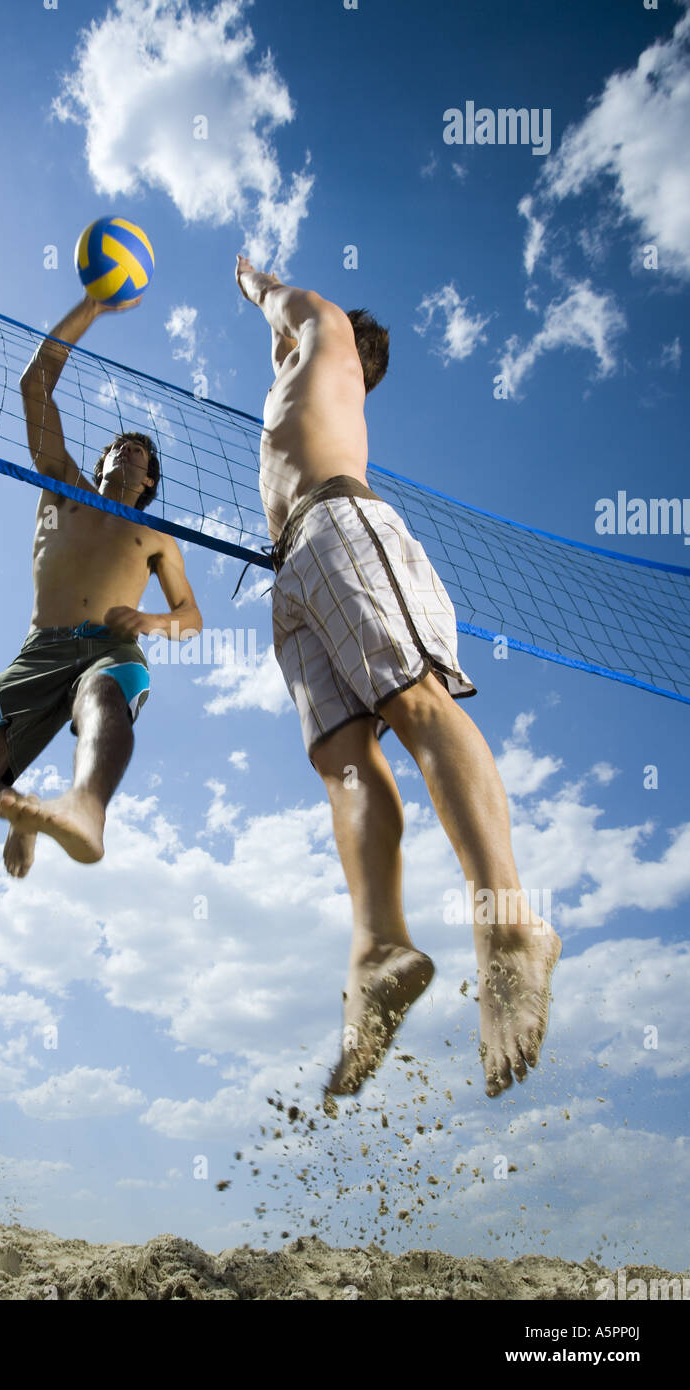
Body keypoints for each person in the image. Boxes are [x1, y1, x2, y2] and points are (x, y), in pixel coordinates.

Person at [235, 254, 561, 1107]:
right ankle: (379, 949)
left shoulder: (323, 330)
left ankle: (509, 925)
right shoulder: (294, 386)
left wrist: (256, 286)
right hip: (292, 565)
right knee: (340, 759)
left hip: (343, 522)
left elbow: (284, 299)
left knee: (413, 698)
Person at [0, 293, 202, 876]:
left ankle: (86, 809)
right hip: (42, 647)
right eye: (116, 446)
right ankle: (24, 811)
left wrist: (156, 622)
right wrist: (91, 306)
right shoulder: (64, 488)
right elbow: (35, 384)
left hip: (111, 648)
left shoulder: (156, 539)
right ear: (103, 461)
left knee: (100, 698)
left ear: (149, 479)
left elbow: (191, 616)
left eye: (136, 451)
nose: (124, 451)